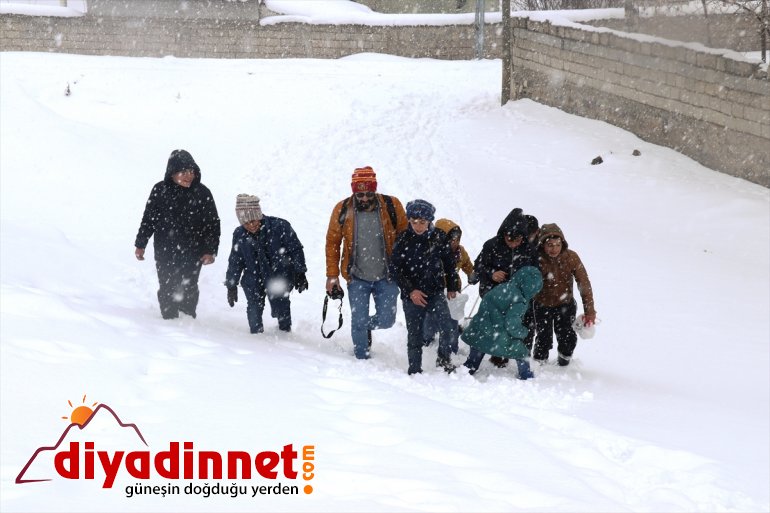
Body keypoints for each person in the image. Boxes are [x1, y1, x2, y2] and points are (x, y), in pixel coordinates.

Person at [325, 166, 408, 359]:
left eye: (368, 193)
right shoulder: (342, 208)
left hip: (387, 276)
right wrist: (332, 275)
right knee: (358, 319)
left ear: (374, 189)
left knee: (387, 320)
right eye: (359, 194)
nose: (363, 198)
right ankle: (361, 358)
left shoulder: (391, 205)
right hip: (357, 277)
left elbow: (405, 237)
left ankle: (364, 326)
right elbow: (332, 243)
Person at [134, 149, 220, 319]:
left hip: (193, 251)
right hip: (165, 249)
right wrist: (140, 244)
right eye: (183, 172)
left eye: (191, 171)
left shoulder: (203, 193)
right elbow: (148, 219)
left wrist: (210, 250)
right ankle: (169, 319)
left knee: (189, 286)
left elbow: (212, 224)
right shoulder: (160, 190)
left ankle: (188, 318)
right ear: (172, 173)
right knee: (168, 285)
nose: (189, 176)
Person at [390, 200, 460, 375]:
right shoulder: (403, 239)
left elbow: (449, 264)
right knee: (414, 334)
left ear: (429, 221)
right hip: (411, 295)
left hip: (435, 291)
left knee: (447, 327)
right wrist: (410, 290)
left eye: (422, 222)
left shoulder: (438, 237)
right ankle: (414, 369)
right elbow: (395, 270)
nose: (418, 226)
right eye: (413, 222)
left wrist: (451, 286)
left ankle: (444, 360)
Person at [225, 195, 307, 334]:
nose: (251, 225)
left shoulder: (280, 226)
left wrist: (300, 272)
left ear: (259, 215)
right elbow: (235, 260)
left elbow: (295, 250)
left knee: (282, 304)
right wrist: (231, 284)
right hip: (253, 277)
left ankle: (284, 332)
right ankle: (256, 336)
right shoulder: (239, 234)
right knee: (254, 306)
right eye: (245, 223)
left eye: (253, 220)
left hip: (279, 274)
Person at [472, 208, 538, 368]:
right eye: (510, 238)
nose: (513, 243)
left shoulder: (529, 250)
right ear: (504, 233)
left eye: (518, 239)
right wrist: (492, 273)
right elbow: (478, 266)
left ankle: (523, 356)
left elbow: (535, 273)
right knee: (493, 323)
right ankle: (496, 354)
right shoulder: (491, 245)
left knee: (525, 324)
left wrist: (525, 285)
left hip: (519, 296)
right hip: (494, 292)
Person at [461, 265, 543, 379]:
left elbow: (485, 303)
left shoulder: (503, 287)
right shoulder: (520, 300)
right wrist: (523, 332)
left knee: (479, 346)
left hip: (479, 329)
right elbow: (511, 324)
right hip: (497, 334)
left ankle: (469, 367)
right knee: (521, 351)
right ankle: (526, 374)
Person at [531, 223, 596, 366]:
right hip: (542, 304)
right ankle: (539, 363)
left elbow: (584, 283)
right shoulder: (536, 258)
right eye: (550, 245)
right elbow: (527, 282)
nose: (554, 249)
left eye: (557, 244)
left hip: (565, 304)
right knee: (543, 337)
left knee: (567, 336)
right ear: (543, 245)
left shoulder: (571, 257)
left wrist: (589, 310)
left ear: (562, 243)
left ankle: (565, 361)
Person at [422, 218, 476, 353]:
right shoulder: (433, 250)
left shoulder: (460, 252)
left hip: (453, 291)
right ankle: (426, 339)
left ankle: (452, 347)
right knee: (431, 318)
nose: (455, 243)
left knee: (452, 318)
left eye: (458, 240)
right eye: (452, 239)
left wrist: (471, 274)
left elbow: (467, 264)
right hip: (435, 291)